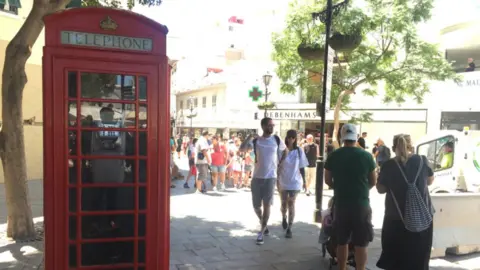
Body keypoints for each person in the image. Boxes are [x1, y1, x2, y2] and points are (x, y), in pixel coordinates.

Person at [376, 134, 435, 270]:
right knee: (419, 259)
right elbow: (430, 181)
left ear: (393, 147)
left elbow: (380, 189)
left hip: (395, 219)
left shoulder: (389, 165)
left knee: (395, 260)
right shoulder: (422, 160)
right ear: (411, 147)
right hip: (422, 219)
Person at [324, 124, 376, 270]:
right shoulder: (366, 156)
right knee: (361, 243)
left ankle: (342, 268)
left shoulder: (334, 155)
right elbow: (373, 181)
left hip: (341, 204)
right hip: (361, 204)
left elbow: (327, 180)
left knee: (342, 241)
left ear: (342, 137)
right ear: (356, 137)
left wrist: (340, 188)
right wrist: (361, 189)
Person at [251, 117, 286, 245]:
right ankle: (263, 223)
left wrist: (280, 163)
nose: (272, 127)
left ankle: (261, 232)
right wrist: (248, 137)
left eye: (273, 125)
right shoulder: (256, 141)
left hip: (271, 177)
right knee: (256, 206)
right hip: (256, 177)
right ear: (264, 126)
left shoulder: (277, 139)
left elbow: (285, 150)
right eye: (270, 125)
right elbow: (242, 149)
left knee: (267, 205)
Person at [277, 130, 309, 238]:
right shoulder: (281, 150)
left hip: (295, 182)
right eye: (289, 137)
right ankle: (284, 217)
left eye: (293, 137)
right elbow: (277, 165)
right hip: (283, 181)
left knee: (291, 203)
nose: (291, 139)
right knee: (283, 204)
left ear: (295, 139)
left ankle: (290, 228)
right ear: (286, 138)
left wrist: (304, 182)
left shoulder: (299, 151)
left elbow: (302, 167)